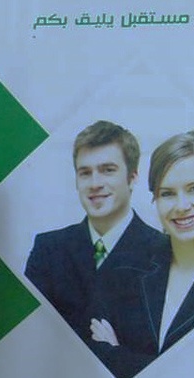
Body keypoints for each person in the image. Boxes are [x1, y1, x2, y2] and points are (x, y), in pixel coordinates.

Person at [88, 131, 194, 378]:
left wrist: (119, 356)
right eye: (167, 193)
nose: (181, 206)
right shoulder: (122, 270)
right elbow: (90, 361)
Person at [25, 120, 167, 342]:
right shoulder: (48, 250)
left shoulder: (166, 252)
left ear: (132, 178)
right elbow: (30, 334)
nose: (95, 183)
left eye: (107, 170)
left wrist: (117, 353)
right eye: (85, 173)